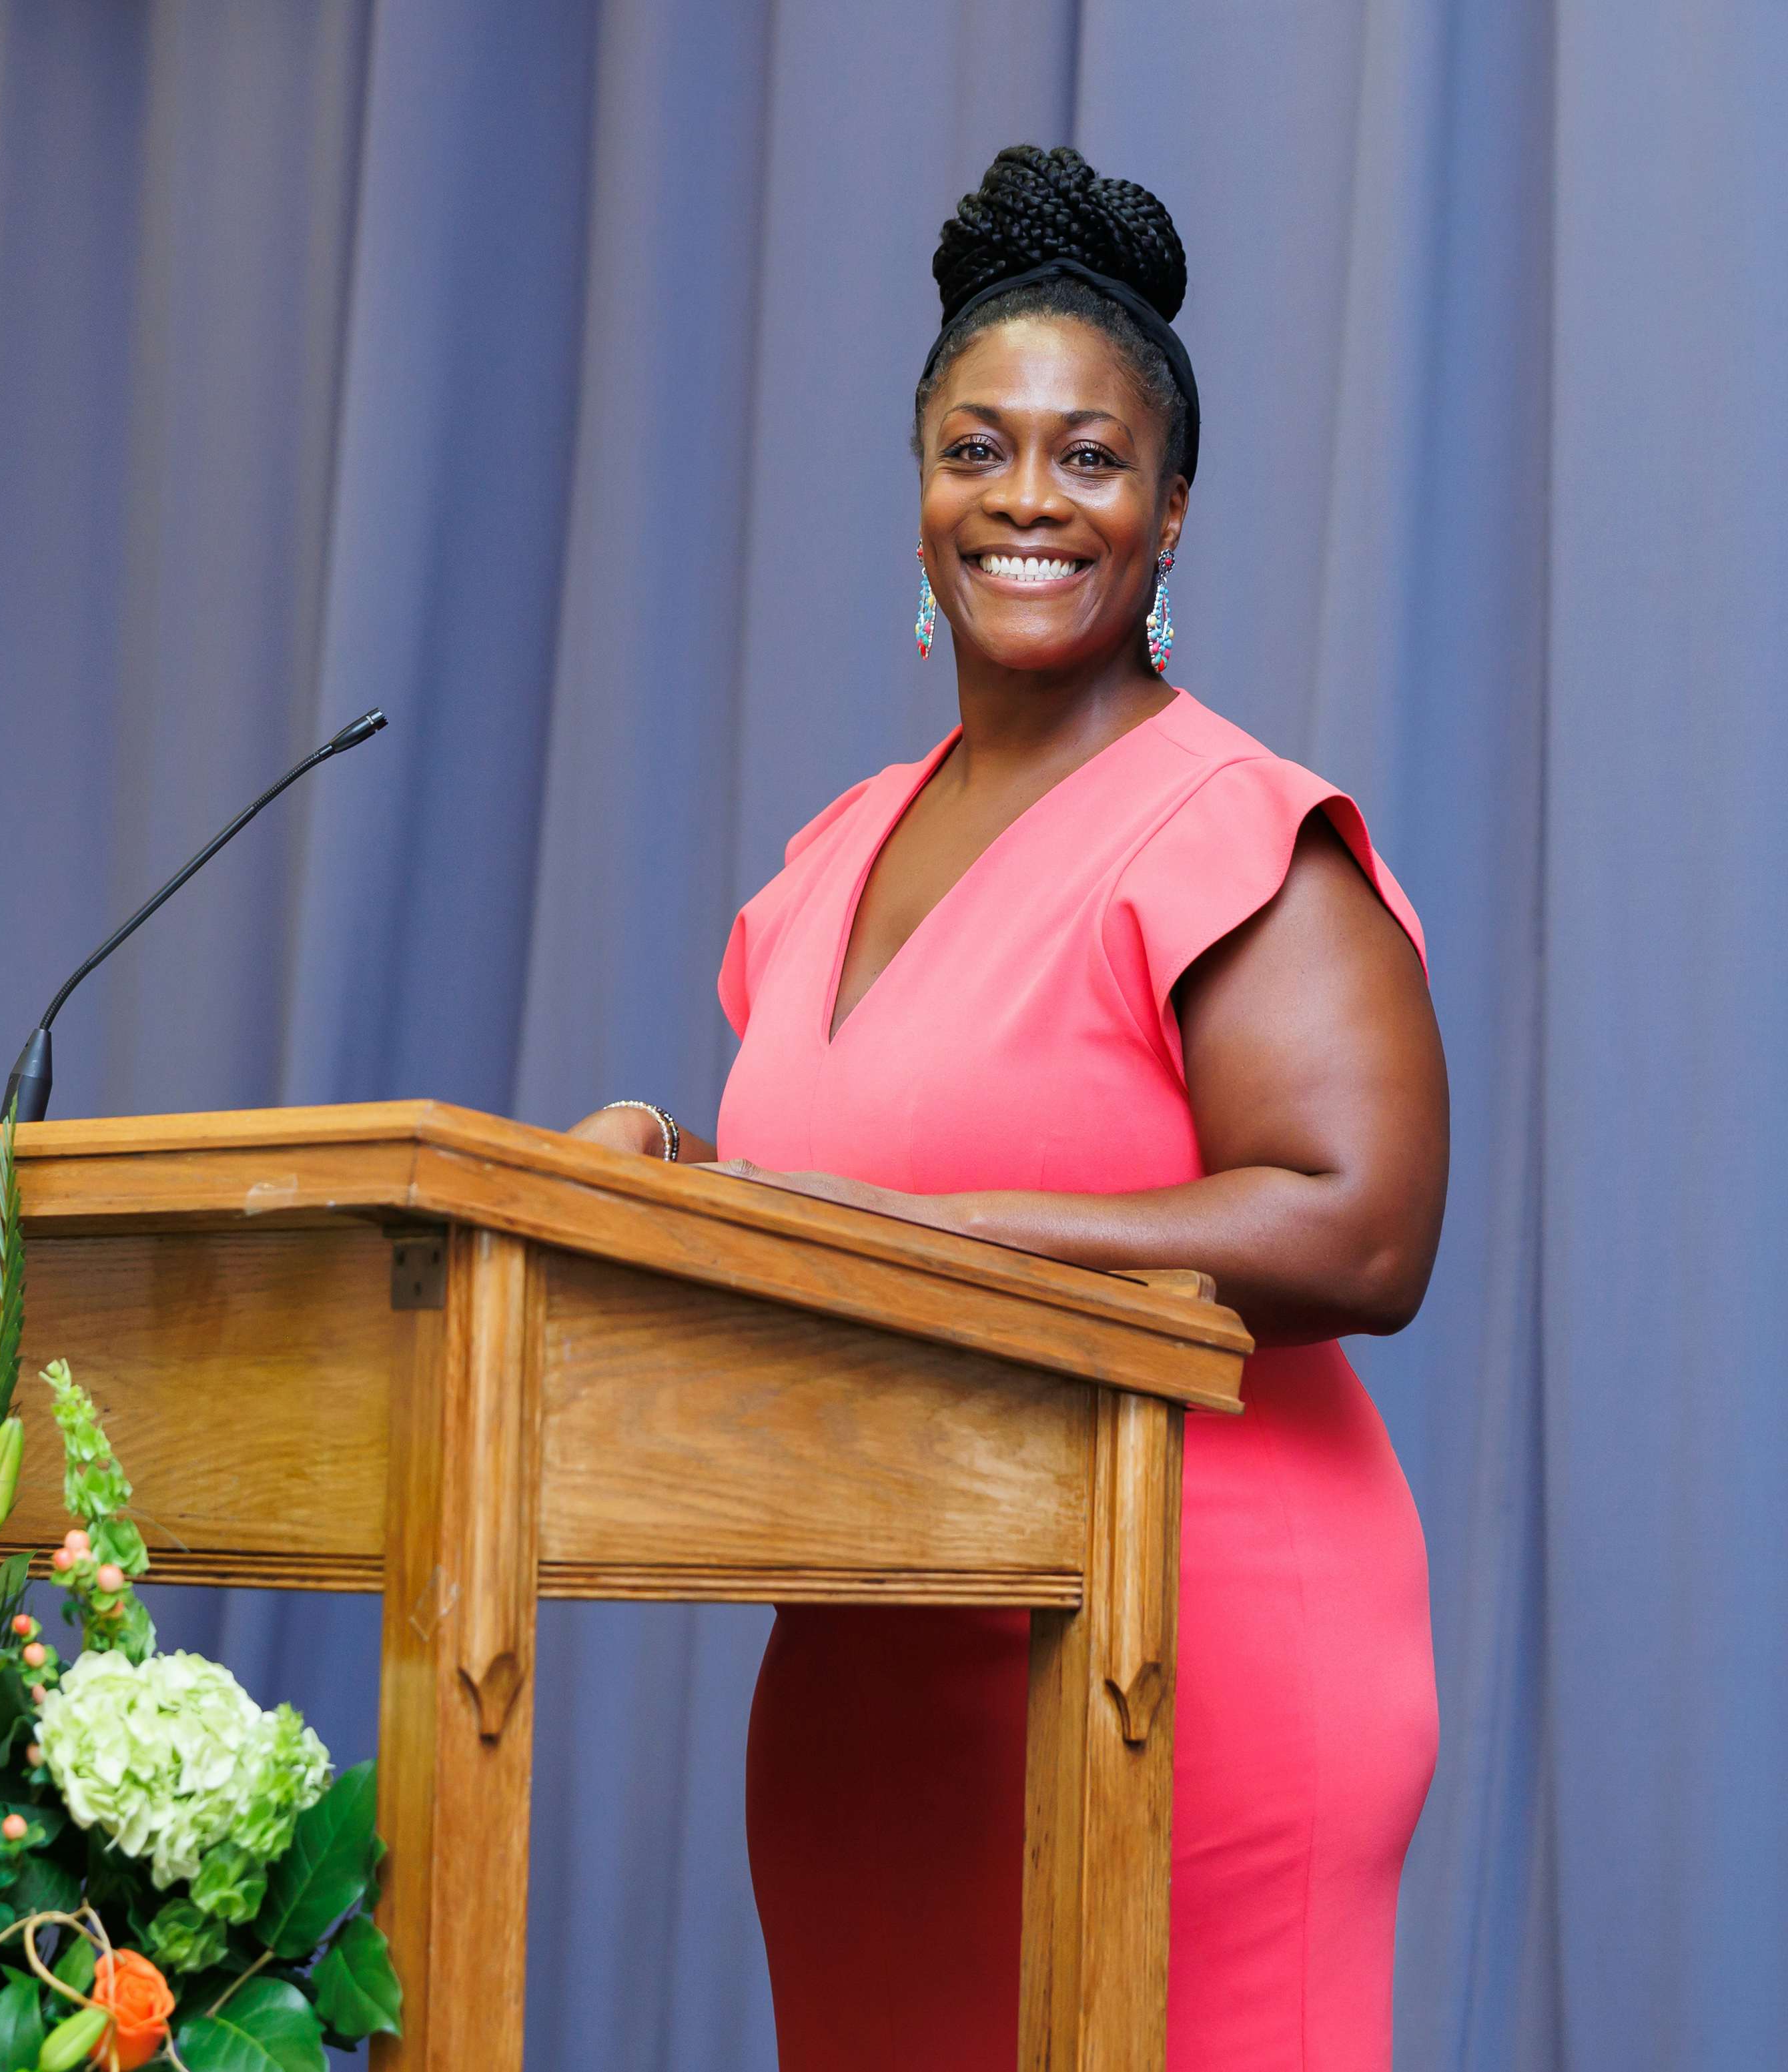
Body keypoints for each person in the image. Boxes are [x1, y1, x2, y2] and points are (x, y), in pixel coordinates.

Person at [572, 143, 1448, 2071]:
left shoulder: (1237, 830)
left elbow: (1361, 1225)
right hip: (885, 1690)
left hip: (1191, 1661)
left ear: (1171, 510)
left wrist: (925, 1246)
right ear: (918, 492)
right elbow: (835, 1197)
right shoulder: (829, 859)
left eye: (1089, 456)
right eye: (977, 450)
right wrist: (671, 1185)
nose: (1027, 498)